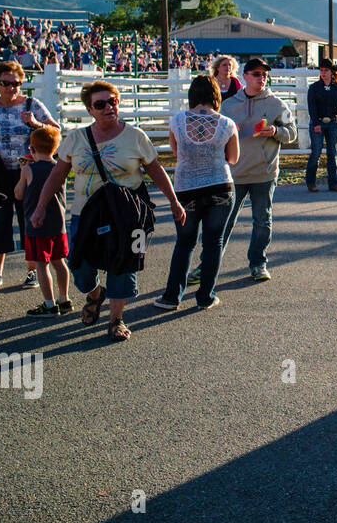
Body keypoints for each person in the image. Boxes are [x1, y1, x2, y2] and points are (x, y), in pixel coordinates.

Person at [30, 80, 185, 341]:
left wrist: (173, 200)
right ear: (90, 110)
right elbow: (57, 175)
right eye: (100, 104)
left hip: (127, 216)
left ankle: (116, 320)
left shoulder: (135, 136)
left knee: (123, 268)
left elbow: (155, 169)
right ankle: (94, 294)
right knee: (79, 267)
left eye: (112, 101)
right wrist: (40, 207)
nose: (108, 108)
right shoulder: (77, 138)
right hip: (86, 214)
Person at [153, 76, 239, 311]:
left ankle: (172, 297)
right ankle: (205, 297)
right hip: (220, 186)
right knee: (214, 243)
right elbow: (233, 158)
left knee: (184, 243)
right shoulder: (227, 123)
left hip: (186, 188)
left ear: (192, 95)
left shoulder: (177, 121)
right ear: (216, 96)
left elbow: (176, 151)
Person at [0, 60, 58, 291]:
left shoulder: (32, 104)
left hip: (28, 172)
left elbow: (56, 131)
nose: (12, 88)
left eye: (17, 83)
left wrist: (35, 123)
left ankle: (32, 271)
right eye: (6, 83)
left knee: (28, 221)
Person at [214, 57, 296, 282]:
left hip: (264, 172)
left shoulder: (277, 104)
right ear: (245, 76)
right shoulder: (228, 105)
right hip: (235, 173)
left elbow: (292, 132)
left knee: (262, 220)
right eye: (257, 74)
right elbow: (216, 135)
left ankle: (258, 263)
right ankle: (209, 265)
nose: (262, 78)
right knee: (224, 221)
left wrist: (276, 131)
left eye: (265, 75)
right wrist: (229, 133)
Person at [15, 126, 71, 317]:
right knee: (60, 262)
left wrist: (22, 172)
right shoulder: (59, 168)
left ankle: (49, 304)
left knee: (41, 264)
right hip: (58, 224)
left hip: (36, 226)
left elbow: (19, 194)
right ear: (55, 149)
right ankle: (64, 299)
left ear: (32, 149)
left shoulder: (29, 169)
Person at [306, 58, 337, 192]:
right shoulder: (314, 88)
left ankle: (333, 183)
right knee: (316, 152)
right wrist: (316, 123)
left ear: (332, 72)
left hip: (333, 122)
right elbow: (312, 107)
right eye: (321, 70)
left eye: (326, 70)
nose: (323, 73)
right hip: (318, 122)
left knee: (332, 153)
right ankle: (311, 181)